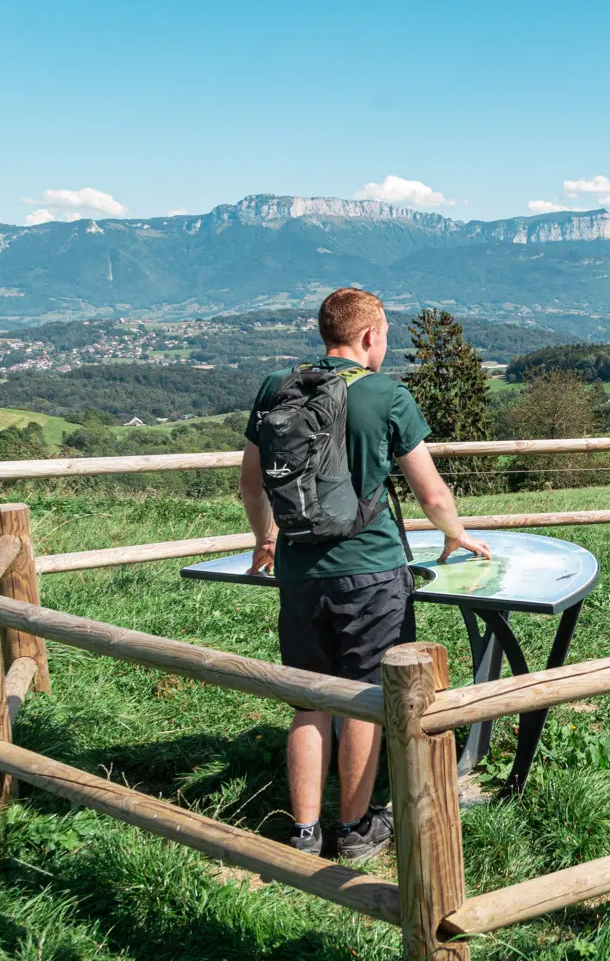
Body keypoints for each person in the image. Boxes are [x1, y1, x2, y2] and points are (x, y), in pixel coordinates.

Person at [238, 287, 489, 859]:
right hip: (371, 573)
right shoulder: (386, 395)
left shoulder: (278, 387)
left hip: (299, 571)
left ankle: (304, 831)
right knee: (365, 696)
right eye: (386, 336)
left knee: (309, 699)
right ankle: (355, 829)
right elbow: (431, 492)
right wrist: (455, 533)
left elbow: (252, 484)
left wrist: (265, 540)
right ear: (371, 335)